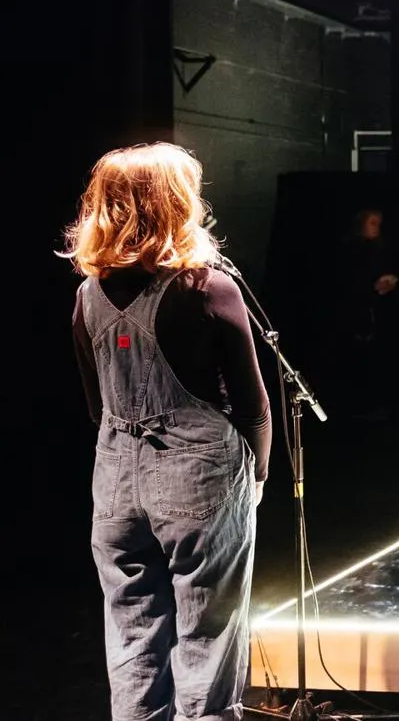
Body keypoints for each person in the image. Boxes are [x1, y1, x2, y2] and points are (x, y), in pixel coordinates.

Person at [60, 142, 271, 721]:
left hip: (115, 480)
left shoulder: (86, 296)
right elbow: (254, 406)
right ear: (175, 202)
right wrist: (253, 479)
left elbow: (96, 405)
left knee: (131, 632)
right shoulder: (208, 287)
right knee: (210, 630)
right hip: (200, 475)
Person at [331, 206, 399, 419]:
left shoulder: (380, 248)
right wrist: (371, 286)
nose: (376, 228)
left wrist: (389, 282)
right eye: (372, 223)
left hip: (375, 312)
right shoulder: (349, 250)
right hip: (354, 313)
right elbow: (345, 283)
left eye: (378, 224)